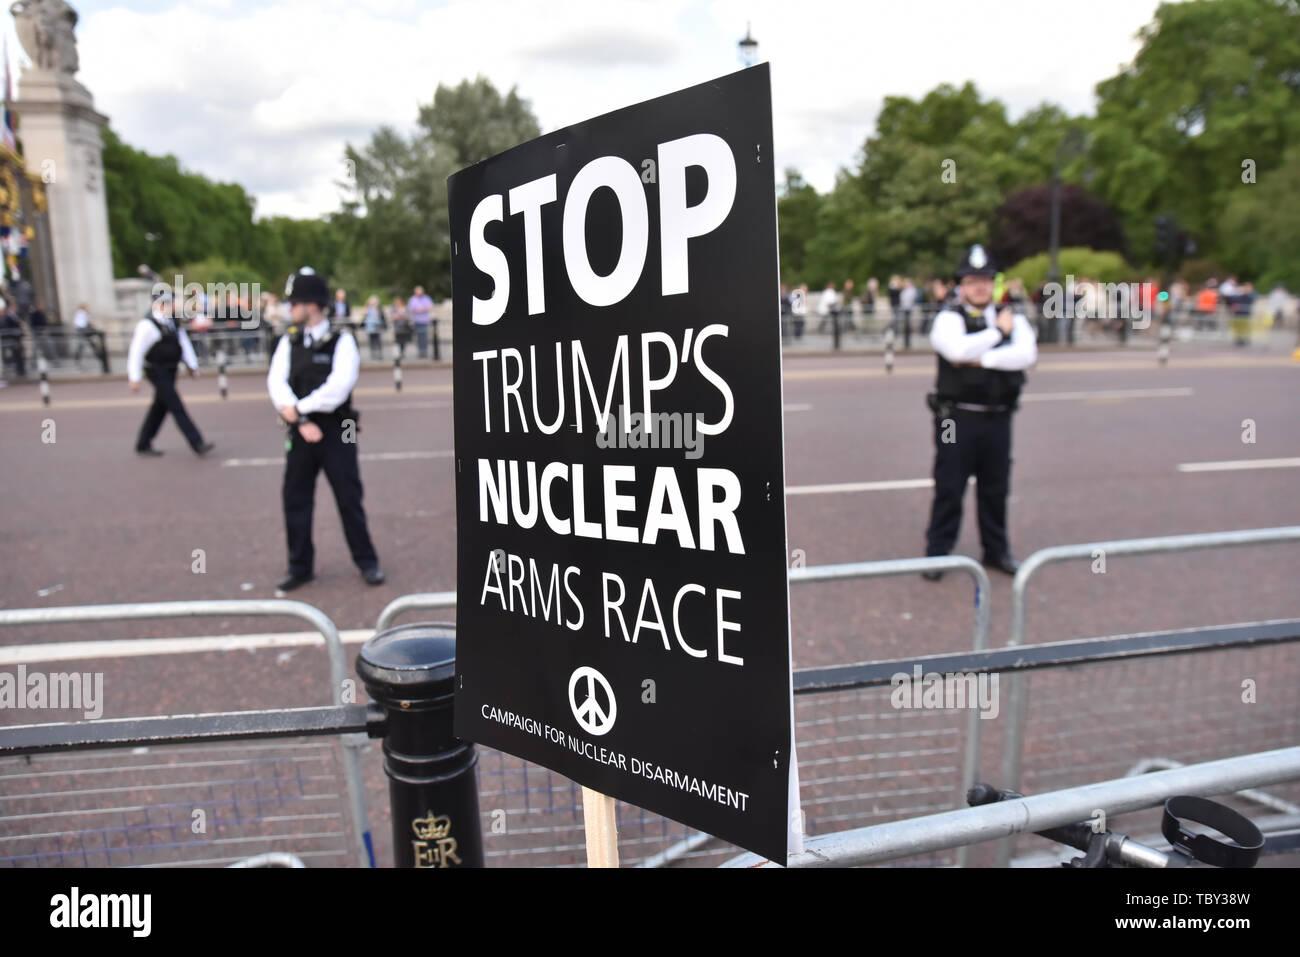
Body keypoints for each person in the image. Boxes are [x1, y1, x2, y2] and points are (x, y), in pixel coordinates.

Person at [922, 244, 1037, 580]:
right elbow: (956, 350)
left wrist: (982, 357)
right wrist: (997, 335)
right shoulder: (949, 318)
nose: (980, 287)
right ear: (961, 284)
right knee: (949, 485)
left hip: (998, 416)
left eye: (986, 280)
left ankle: (996, 550)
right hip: (954, 418)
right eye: (972, 280)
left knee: (995, 488)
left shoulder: (1013, 318)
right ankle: (936, 555)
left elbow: (1026, 356)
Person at [267, 267, 385, 591]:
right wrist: (299, 420)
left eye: (296, 302)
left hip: (340, 427)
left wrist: (300, 409)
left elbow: (339, 387)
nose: (290, 308)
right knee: (295, 498)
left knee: (349, 496)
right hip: (300, 430)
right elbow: (276, 382)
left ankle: (367, 562)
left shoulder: (343, 340)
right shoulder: (288, 341)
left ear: (313, 304)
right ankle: (300, 566)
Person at [127, 288, 215, 457]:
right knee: (176, 405)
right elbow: (136, 352)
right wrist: (134, 378)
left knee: (159, 407)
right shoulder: (147, 325)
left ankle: (143, 443)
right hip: (156, 370)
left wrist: (192, 366)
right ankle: (197, 442)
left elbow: (183, 344)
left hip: (170, 369)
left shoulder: (173, 321)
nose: (173, 305)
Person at [408, 285, 434, 357]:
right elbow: (411, 309)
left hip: (424, 321)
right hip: (416, 321)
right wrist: (422, 309)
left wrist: (420, 309)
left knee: (424, 337)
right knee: (418, 337)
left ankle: (424, 351)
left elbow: (430, 307)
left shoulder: (426, 298)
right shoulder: (412, 299)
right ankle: (420, 351)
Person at [362, 295, 387, 360]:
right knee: (371, 340)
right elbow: (364, 315)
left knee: (378, 340)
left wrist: (375, 308)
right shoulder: (367, 308)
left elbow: (379, 316)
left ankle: (379, 353)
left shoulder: (379, 308)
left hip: (377, 326)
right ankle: (373, 354)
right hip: (370, 326)